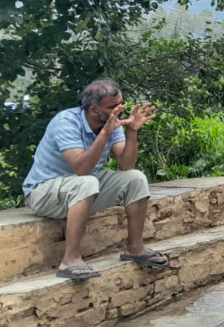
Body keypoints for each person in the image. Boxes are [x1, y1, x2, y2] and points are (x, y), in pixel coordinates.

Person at [22, 78, 165, 281]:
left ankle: (135, 248)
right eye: (113, 106)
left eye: (121, 103)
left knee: (136, 178)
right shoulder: (66, 122)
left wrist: (132, 132)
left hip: (82, 186)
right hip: (44, 192)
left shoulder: (113, 123)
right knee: (87, 181)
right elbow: (81, 168)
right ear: (93, 110)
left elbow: (126, 165)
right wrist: (106, 132)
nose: (120, 109)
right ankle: (70, 259)